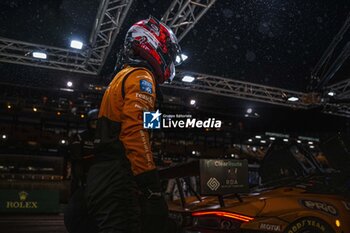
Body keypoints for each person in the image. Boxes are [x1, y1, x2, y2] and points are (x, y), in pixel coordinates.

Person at [85, 16, 183, 233]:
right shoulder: (142, 76)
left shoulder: (122, 76)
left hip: (103, 174)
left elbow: (140, 123)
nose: (170, 59)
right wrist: (151, 185)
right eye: (169, 52)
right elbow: (135, 130)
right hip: (118, 176)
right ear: (152, 43)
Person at [64, 109, 99, 233]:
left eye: (98, 122)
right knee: (77, 202)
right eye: (93, 122)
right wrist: (81, 179)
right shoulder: (80, 137)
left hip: (100, 176)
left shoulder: (105, 139)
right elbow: (76, 159)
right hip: (83, 176)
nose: (95, 125)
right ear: (88, 123)